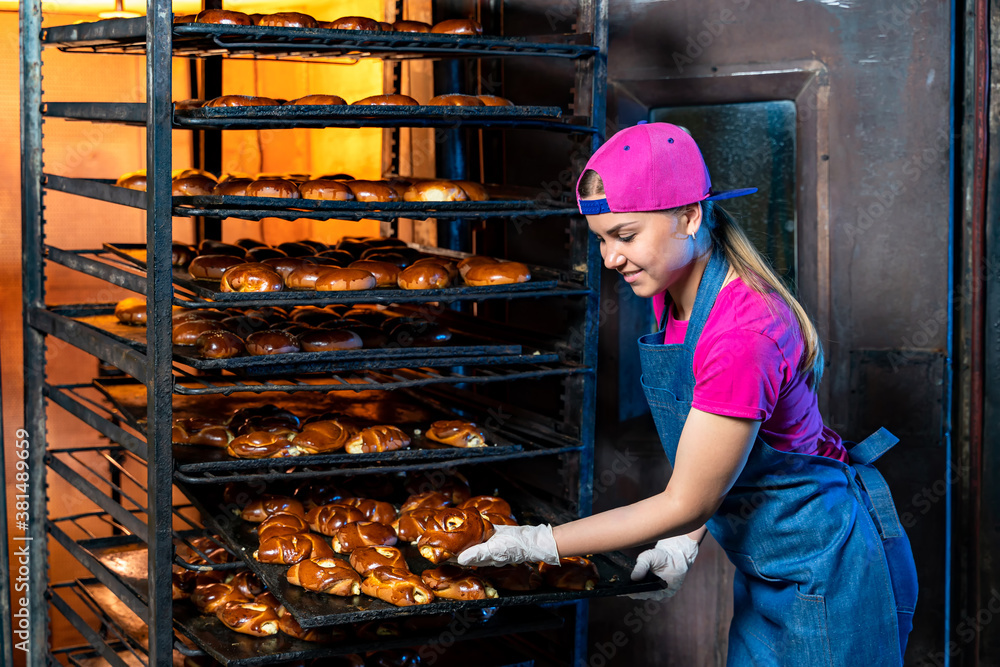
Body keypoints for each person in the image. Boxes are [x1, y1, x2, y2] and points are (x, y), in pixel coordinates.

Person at [458, 122, 918, 665]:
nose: (609, 259)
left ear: (690, 216)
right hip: (767, 572)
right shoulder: (672, 294)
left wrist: (539, 543)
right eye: (601, 239)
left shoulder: (743, 335)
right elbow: (716, 458)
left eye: (625, 236)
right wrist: (687, 539)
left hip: (830, 571)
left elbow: (687, 499)